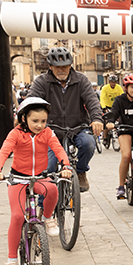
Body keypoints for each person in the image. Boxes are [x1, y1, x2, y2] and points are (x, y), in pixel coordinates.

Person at [0, 97, 72, 265]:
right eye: (35, 121)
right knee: (18, 216)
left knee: (52, 189)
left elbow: (58, 149)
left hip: (40, 177)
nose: (40, 125)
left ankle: (48, 218)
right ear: (23, 118)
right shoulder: (16, 134)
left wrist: (66, 166)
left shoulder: (48, 133)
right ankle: (11, 259)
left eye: (43, 121)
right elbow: (4, 151)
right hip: (18, 179)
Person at [29, 46, 104, 191]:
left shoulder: (81, 80)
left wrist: (97, 119)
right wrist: (26, 119)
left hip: (78, 127)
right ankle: (44, 206)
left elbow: (92, 101)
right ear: (50, 67)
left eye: (64, 66)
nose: (61, 70)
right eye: (57, 67)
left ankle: (81, 171)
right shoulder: (42, 82)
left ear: (70, 65)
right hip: (51, 130)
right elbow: (31, 102)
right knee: (49, 168)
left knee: (88, 144)